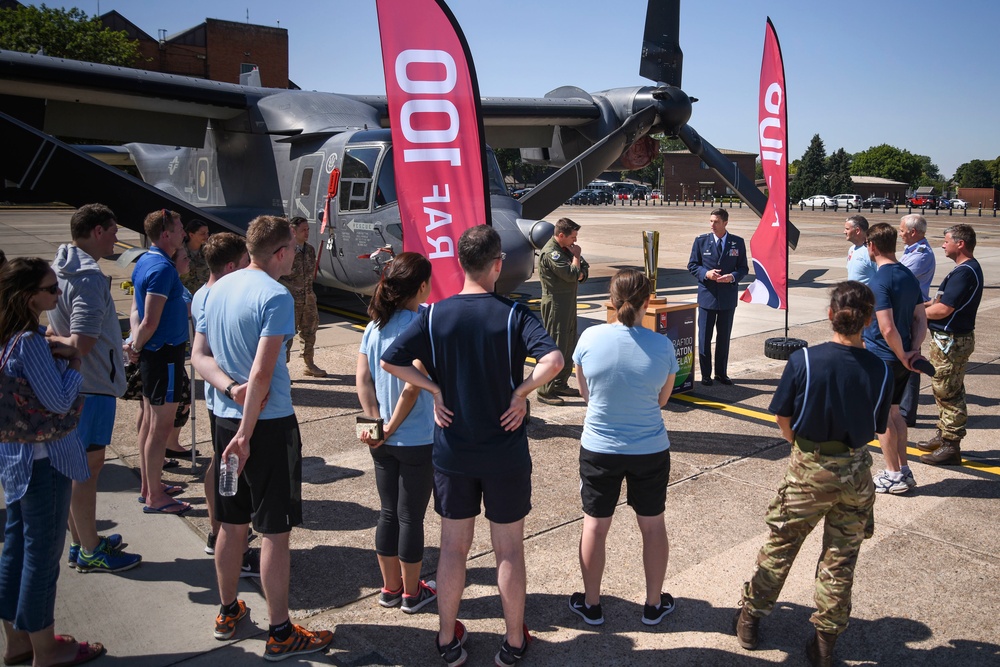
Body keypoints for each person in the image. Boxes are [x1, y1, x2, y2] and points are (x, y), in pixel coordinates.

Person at [381, 225, 563, 667]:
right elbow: (554, 360)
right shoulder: (513, 314)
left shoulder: (434, 315)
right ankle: (514, 641)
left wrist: (434, 390)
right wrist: (521, 393)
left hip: (453, 454)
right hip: (504, 452)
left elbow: (390, 360)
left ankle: (447, 639)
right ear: (498, 264)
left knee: (452, 550)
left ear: (460, 264)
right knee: (509, 551)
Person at [192, 215, 333, 661]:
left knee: (232, 524)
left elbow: (200, 357)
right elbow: (262, 373)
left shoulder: (216, 289)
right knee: (274, 531)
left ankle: (228, 610)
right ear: (280, 253)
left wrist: (228, 394)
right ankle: (280, 631)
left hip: (223, 421)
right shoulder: (275, 295)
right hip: (265, 428)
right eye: (291, 246)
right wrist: (248, 434)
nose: (295, 252)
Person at [735, 281, 892, 667]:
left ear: (830, 315)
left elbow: (782, 417)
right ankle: (824, 645)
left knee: (781, 545)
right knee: (840, 560)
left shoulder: (804, 360)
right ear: (869, 320)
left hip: (810, 466)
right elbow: (877, 425)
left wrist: (800, 446)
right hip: (855, 472)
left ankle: (750, 620)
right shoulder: (880, 369)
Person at [0, 257, 106, 667]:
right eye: (50, 289)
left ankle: (19, 641)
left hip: (14, 457)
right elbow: (60, 400)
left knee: (16, 549)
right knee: (42, 558)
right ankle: (47, 650)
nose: (57, 295)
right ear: (29, 298)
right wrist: (75, 363)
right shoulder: (29, 343)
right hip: (44, 461)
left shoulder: (8, 336)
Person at [568, 269, 678, 628]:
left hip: (599, 447)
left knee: (595, 527)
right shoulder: (662, 345)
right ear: (648, 303)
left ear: (611, 301)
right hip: (649, 448)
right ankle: (651, 605)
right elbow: (663, 400)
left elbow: (585, 394)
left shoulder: (590, 337)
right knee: (652, 526)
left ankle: (592, 605)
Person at [47, 203, 142, 573]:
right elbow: (82, 343)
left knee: (77, 468)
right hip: (93, 386)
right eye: (114, 230)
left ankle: (80, 541)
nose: (117, 238)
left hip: (76, 385)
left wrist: (51, 338)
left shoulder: (62, 264)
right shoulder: (87, 277)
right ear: (98, 231)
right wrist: (49, 341)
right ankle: (90, 549)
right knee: (87, 470)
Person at [356, 253, 437, 614]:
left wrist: (377, 424)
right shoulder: (422, 322)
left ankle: (389, 588)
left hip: (379, 439)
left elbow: (363, 378)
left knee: (387, 513)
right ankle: (411, 593)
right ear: (421, 286)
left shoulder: (375, 325)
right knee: (410, 518)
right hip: (415, 436)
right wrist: (393, 426)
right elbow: (412, 386)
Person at [190, 232, 252, 562]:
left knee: (220, 463)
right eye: (244, 263)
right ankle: (228, 539)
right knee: (229, 472)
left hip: (220, 397)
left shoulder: (202, 293)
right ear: (231, 266)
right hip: (229, 399)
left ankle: (221, 531)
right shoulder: (221, 295)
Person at [128, 209, 191, 515]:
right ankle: (154, 495)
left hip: (157, 353)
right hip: (164, 354)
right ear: (166, 234)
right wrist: (136, 345)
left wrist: (134, 342)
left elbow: (136, 311)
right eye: (179, 228)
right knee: (160, 427)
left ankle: (149, 486)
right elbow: (150, 320)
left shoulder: (146, 262)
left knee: (151, 422)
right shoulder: (163, 269)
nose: (184, 233)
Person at [863, 223, 927, 495]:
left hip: (884, 358)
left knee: (883, 419)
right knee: (896, 413)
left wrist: (901, 355)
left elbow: (886, 327)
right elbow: (921, 318)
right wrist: (913, 351)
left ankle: (892, 475)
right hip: (903, 358)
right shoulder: (908, 276)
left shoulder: (879, 281)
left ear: (872, 246)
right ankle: (903, 469)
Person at [917, 224, 984, 466]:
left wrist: (914, 315)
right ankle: (944, 434)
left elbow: (943, 309)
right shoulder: (962, 270)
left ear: (961, 243)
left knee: (949, 392)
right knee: (945, 389)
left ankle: (951, 445)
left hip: (952, 341)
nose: (943, 245)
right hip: (949, 341)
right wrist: (920, 306)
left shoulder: (965, 272)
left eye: (947, 241)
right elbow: (937, 302)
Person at [687, 208, 748, 386]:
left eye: (716, 222)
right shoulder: (701, 241)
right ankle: (706, 374)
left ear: (725, 223)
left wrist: (733, 277)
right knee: (705, 337)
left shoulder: (737, 242)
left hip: (727, 298)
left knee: (724, 337)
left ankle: (721, 373)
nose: (712, 225)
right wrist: (706, 274)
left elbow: (743, 268)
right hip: (707, 297)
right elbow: (692, 265)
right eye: (711, 221)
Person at [536, 217, 589, 406]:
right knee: (556, 345)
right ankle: (545, 390)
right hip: (556, 305)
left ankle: (560, 383)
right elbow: (573, 274)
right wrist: (576, 261)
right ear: (561, 235)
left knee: (568, 343)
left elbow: (584, 271)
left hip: (568, 302)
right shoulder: (552, 253)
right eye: (573, 237)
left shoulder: (565, 249)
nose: (575, 241)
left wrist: (578, 268)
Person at [897, 214, 936, 427]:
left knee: (911, 360)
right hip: (907, 310)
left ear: (913, 232)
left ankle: (906, 413)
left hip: (912, 313)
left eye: (902, 230)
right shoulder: (912, 250)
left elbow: (900, 277)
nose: (900, 233)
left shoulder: (921, 254)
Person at [278, 216, 326, 378]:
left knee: (309, 332)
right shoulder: (285, 251)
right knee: (286, 336)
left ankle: (309, 364)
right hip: (290, 300)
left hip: (308, 299)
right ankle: (282, 369)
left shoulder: (310, 249)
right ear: (293, 231)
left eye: (308, 229)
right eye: (303, 230)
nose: (306, 233)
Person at [180, 219, 210, 294]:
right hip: (185, 296)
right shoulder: (179, 252)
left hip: (204, 294)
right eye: (202, 234)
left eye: (207, 233)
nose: (206, 236)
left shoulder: (209, 251)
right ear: (191, 235)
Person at [844, 215, 875, 285]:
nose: (844, 232)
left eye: (847, 229)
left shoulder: (871, 251)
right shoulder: (851, 249)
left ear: (857, 230)